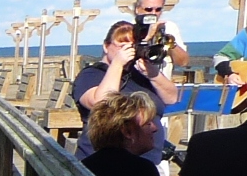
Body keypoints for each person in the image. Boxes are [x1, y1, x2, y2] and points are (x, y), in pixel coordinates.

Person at [72, 20, 179, 161]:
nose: (128, 51)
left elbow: (171, 98)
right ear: (106, 46)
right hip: (104, 160)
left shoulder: (140, 74)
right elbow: (101, 103)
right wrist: (118, 64)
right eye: (122, 46)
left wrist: (153, 74)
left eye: (132, 47)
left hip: (148, 160)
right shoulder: (91, 74)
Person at [81, 90, 167, 176]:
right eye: (148, 123)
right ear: (127, 132)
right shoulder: (142, 171)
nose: (155, 128)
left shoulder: (83, 167)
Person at [129, 0, 190, 71]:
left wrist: (166, 39)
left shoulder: (169, 27)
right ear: (137, 9)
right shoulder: (128, 28)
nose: (154, 13)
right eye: (149, 9)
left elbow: (183, 62)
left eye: (158, 9)